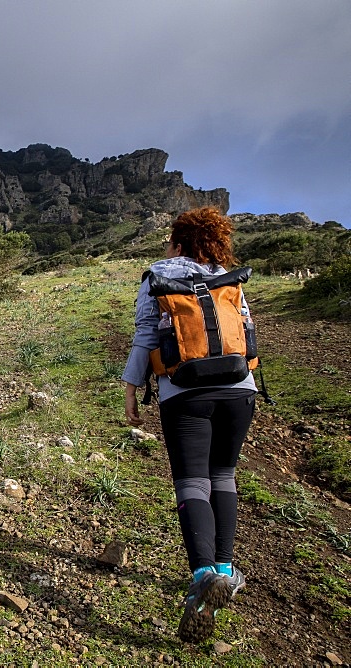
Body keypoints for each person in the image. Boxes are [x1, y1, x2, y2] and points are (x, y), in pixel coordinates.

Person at [122, 207, 257, 643]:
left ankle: (202, 574)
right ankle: (223, 569)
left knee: (192, 482)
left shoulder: (159, 273)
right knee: (224, 475)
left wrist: (130, 387)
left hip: (186, 392)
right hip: (240, 389)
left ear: (178, 243)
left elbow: (145, 334)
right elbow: (248, 331)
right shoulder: (227, 276)